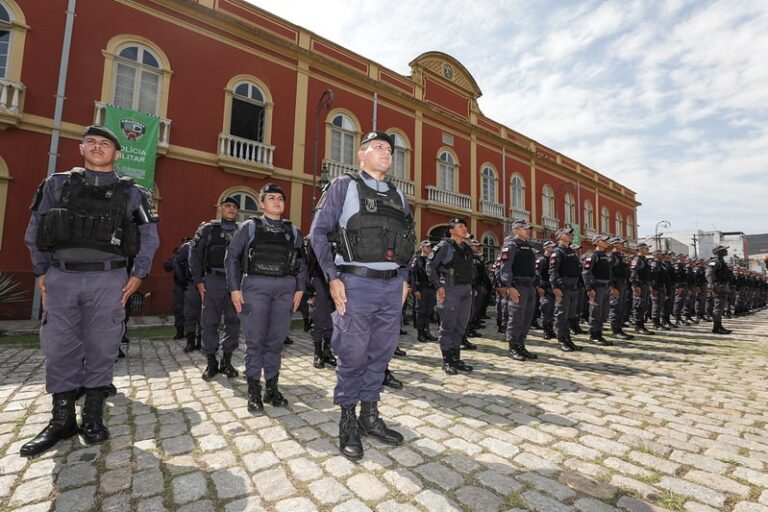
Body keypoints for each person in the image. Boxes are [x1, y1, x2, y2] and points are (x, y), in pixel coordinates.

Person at [21, 125, 159, 457]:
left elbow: (149, 236)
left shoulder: (133, 194)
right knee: (58, 347)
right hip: (61, 277)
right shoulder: (56, 185)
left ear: (117, 153)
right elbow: (35, 229)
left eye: (106, 143)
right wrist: (41, 270)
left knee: (102, 345)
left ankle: (93, 416)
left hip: (107, 278)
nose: (98, 147)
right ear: (81, 148)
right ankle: (62, 418)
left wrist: (139, 274)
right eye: (92, 142)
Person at [310, 130, 415, 460]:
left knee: (381, 354)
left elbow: (408, 241)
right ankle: (347, 420)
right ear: (362, 154)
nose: (387, 152)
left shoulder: (399, 196)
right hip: (356, 284)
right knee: (352, 354)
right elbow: (317, 234)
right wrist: (332, 278)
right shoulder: (344, 186)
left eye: (390, 149)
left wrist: (405, 280)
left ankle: (370, 415)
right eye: (379, 147)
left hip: (390, 286)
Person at [224, 183, 307, 413]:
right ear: (262, 203)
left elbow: (301, 262)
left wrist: (300, 288)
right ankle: (253, 392)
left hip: (285, 289)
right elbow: (231, 258)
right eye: (271, 198)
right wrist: (234, 289)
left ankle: (272, 388)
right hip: (256, 287)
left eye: (280, 198)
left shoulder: (293, 231)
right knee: (255, 341)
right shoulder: (249, 227)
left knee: (276, 341)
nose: (277, 201)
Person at [189, 197, 241, 381]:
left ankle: (227, 361)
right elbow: (194, 255)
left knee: (233, 322)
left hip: (235, 284)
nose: (231, 209)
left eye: (234, 207)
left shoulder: (242, 231)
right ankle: (211, 362)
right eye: (227, 206)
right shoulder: (208, 229)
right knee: (209, 322)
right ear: (220, 208)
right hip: (213, 280)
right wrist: (198, 281)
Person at [426, 218, 476, 374]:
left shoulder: (466, 248)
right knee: (448, 326)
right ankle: (447, 360)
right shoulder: (445, 246)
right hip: (450, 289)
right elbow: (430, 266)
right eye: (460, 226)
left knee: (461, 325)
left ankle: (456, 359)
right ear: (451, 230)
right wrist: (438, 286)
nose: (464, 228)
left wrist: (470, 286)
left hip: (465, 289)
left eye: (465, 226)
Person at [498, 220, 538, 361]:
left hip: (529, 287)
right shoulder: (511, 245)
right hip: (518, 286)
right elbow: (505, 267)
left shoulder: (527, 246)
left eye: (528, 228)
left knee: (527, 318)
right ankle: (513, 347)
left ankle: (521, 344)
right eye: (524, 228)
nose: (528, 230)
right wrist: (509, 286)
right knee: (516, 318)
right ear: (516, 230)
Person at [549, 228, 583, 352]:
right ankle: (562, 340)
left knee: (570, 315)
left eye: (570, 234)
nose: (570, 235)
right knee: (561, 315)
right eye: (567, 234)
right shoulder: (558, 252)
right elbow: (553, 271)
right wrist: (555, 287)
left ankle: (568, 339)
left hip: (573, 288)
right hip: (563, 288)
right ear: (559, 237)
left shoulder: (571, 251)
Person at [582, 235, 615, 346]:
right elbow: (586, 272)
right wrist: (589, 288)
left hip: (605, 287)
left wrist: (610, 286)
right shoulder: (593, 256)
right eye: (603, 240)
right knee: (595, 311)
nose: (606, 242)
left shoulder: (605, 256)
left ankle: (599, 333)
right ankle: (594, 335)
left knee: (603, 312)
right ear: (596, 242)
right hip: (597, 288)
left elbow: (608, 273)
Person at [410, 240, 438, 342]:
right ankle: (420, 333)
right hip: (421, 289)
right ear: (422, 248)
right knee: (421, 312)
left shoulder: (432, 260)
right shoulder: (417, 260)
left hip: (431, 289)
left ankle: (427, 332)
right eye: (428, 247)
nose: (430, 248)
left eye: (430, 247)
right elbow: (412, 276)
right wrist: (415, 290)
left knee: (428, 312)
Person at [608, 237, 633, 340]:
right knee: (616, 308)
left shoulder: (621, 256)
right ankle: (615, 330)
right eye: (620, 243)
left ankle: (620, 328)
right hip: (616, 284)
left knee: (622, 308)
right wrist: (612, 287)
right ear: (614, 244)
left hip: (623, 283)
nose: (622, 244)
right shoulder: (611, 257)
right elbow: (609, 274)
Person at [706, 245, 733, 334]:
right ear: (718, 252)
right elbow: (709, 274)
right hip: (718, 286)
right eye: (723, 250)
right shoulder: (714, 261)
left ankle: (719, 325)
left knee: (721, 307)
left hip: (722, 286)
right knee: (718, 307)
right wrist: (712, 286)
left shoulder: (722, 261)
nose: (726, 251)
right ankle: (716, 327)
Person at [630, 242, 655, 335]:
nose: (648, 250)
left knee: (643, 305)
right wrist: (635, 286)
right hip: (640, 285)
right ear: (640, 249)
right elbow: (633, 273)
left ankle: (641, 325)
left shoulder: (644, 259)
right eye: (646, 248)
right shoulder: (637, 259)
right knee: (638, 305)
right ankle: (638, 326)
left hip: (645, 284)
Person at [536, 241, 557, 340]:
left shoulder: (554, 259)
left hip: (553, 287)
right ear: (545, 248)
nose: (553, 248)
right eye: (551, 246)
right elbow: (537, 274)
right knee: (545, 309)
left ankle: (551, 329)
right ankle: (546, 330)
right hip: (544, 287)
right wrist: (540, 287)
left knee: (552, 309)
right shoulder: (541, 260)